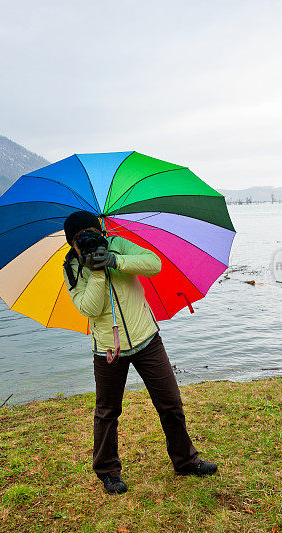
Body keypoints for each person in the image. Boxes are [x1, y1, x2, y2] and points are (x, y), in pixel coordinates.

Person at [62, 210, 218, 495]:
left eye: (91, 234)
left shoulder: (119, 244)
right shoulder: (72, 269)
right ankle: (108, 472)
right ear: (70, 243)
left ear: (101, 232)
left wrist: (114, 260)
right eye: (78, 239)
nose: (86, 241)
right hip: (109, 349)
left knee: (170, 402)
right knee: (107, 412)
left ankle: (186, 461)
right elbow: (89, 308)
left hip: (147, 338)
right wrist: (96, 273)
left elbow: (153, 264)